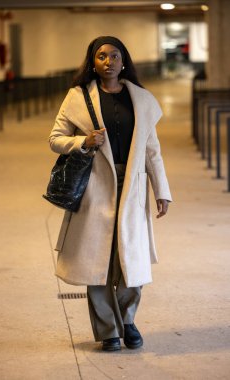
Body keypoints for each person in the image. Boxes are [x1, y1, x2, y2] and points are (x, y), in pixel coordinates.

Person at [49, 36, 172, 352]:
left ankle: (127, 320)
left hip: (132, 185)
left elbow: (151, 149)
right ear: (93, 62)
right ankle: (108, 330)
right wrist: (84, 142)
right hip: (95, 186)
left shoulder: (141, 99)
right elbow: (56, 138)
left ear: (124, 61)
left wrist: (162, 190)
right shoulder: (77, 97)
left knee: (131, 256)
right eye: (101, 56)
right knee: (97, 258)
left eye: (114, 56)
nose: (108, 61)